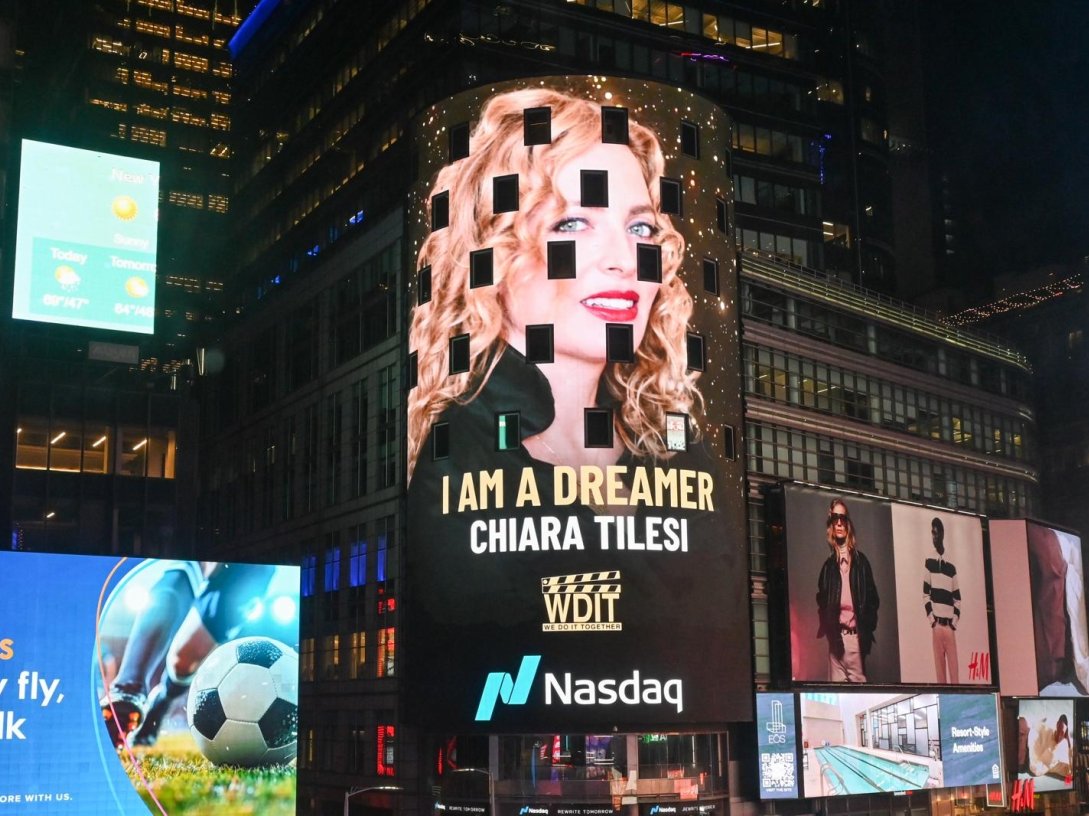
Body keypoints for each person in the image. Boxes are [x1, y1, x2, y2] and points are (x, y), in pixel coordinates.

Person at [404, 86, 728, 704]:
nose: (624, 260)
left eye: (639, 226)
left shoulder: (673, 445)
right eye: (572, 222)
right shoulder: (458, 452)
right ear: (493, 253)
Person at [815, 499, 879, 682]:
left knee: (858, 693)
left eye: (842, 518)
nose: (839, 523)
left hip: (855, 642)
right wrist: (831, 635)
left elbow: (873, 601)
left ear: (848, 523)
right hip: (835, 643)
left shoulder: (861, 563)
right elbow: (822, 604)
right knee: (836, 694)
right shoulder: (828, 568)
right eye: (834, 518)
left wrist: (864, 635)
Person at [923, 517, 960, 683]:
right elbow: (925, 594)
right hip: (937, 626)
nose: (934, 537)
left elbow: (957, 598)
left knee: (955, 675)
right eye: (932, 533)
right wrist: (932, 621)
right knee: (940, 677)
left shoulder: (951, 566)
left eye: (937, 533)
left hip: (949, 627)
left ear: (943, 534)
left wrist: (953, 623)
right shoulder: (929, 562)